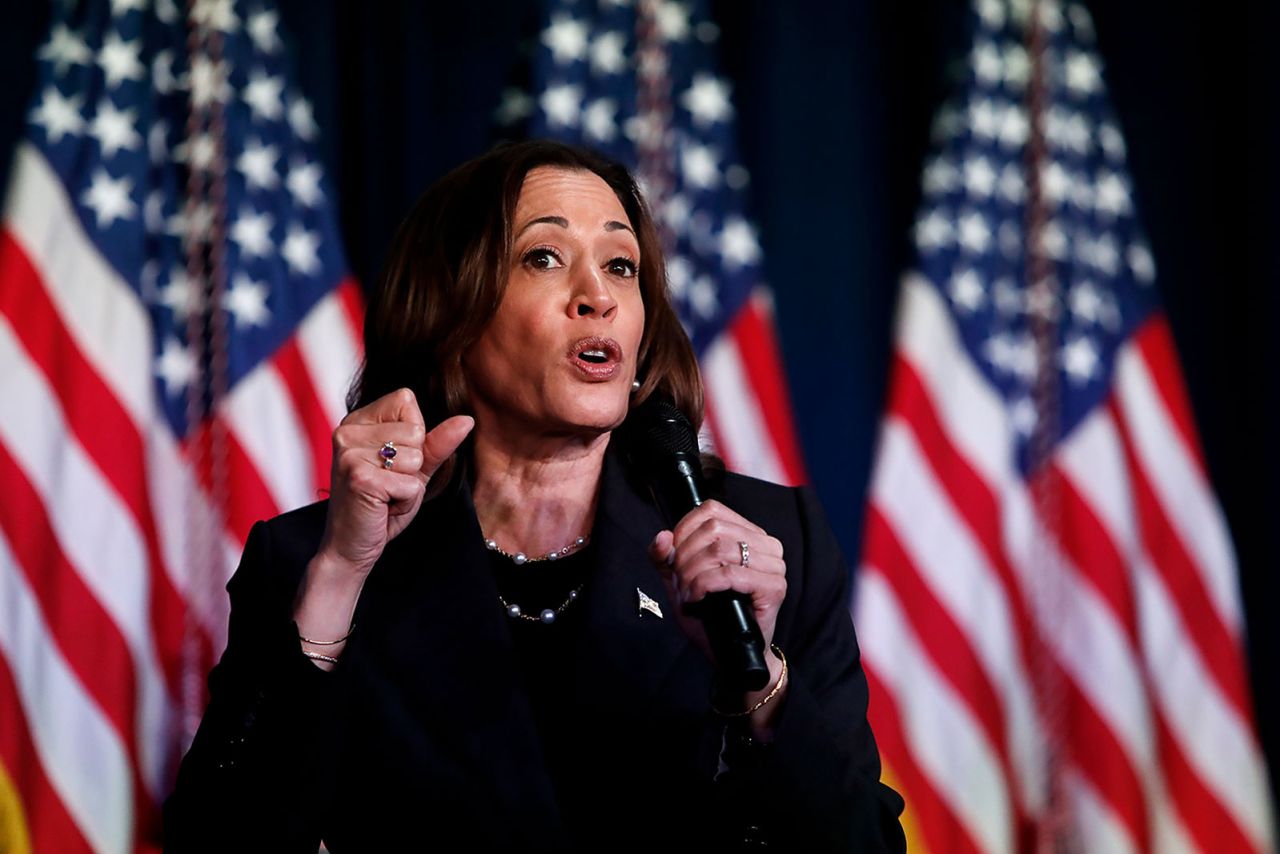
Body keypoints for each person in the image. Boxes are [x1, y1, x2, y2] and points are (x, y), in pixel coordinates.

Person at [163, 140, 906, 853]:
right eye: (543, 258)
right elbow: (219, 840)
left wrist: (760, 681)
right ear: (451, 315)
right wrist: (339, 577)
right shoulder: (312, 563)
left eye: (622, 266)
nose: (598, 298)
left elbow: (864, 845)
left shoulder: (771, 545)